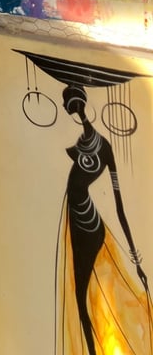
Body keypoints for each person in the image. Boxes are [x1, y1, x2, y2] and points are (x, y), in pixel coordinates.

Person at [57, 84, 152, 354]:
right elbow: (118, 207)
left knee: (81, 297)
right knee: (82, 297)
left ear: (72, 106)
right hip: (81, 219)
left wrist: (136, 260)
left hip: (86, 223)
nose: (65, 107)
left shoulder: (102, 147)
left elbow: (120, 208)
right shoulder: (94, 144)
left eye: (67, 103)